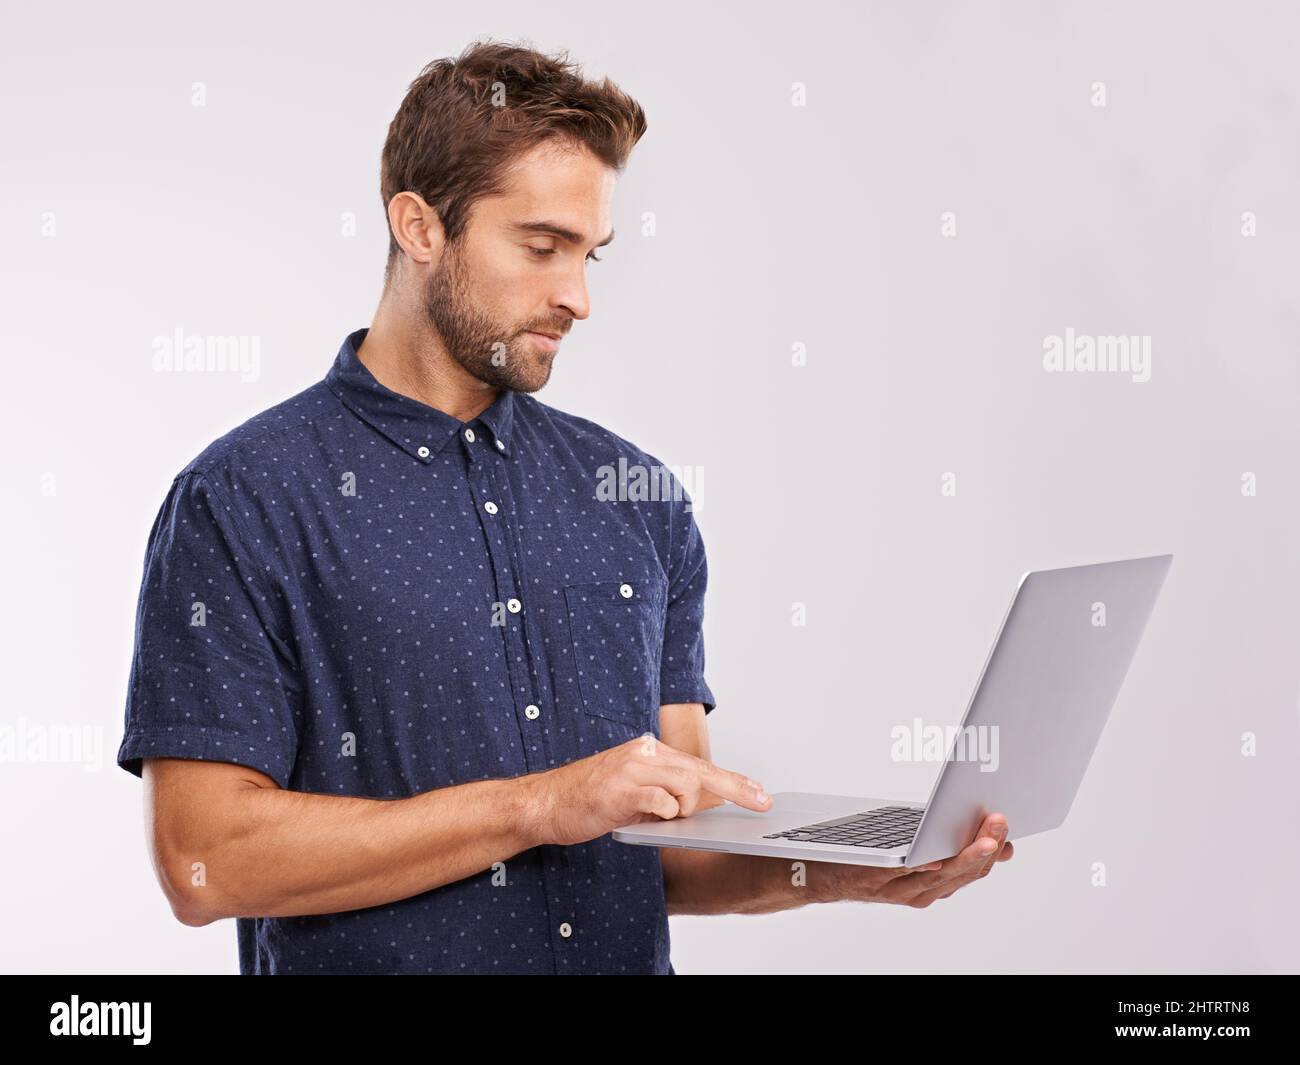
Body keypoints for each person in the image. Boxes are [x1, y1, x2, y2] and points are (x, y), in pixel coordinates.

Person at [117, 38, 1013, 975]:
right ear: (419, 227)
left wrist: (839, 871)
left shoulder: (638, 499)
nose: (578, 296)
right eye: (542, 247)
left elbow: (675, 846)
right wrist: (537, 804)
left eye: (590, 253)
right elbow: (202, 860)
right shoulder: (243, 499)